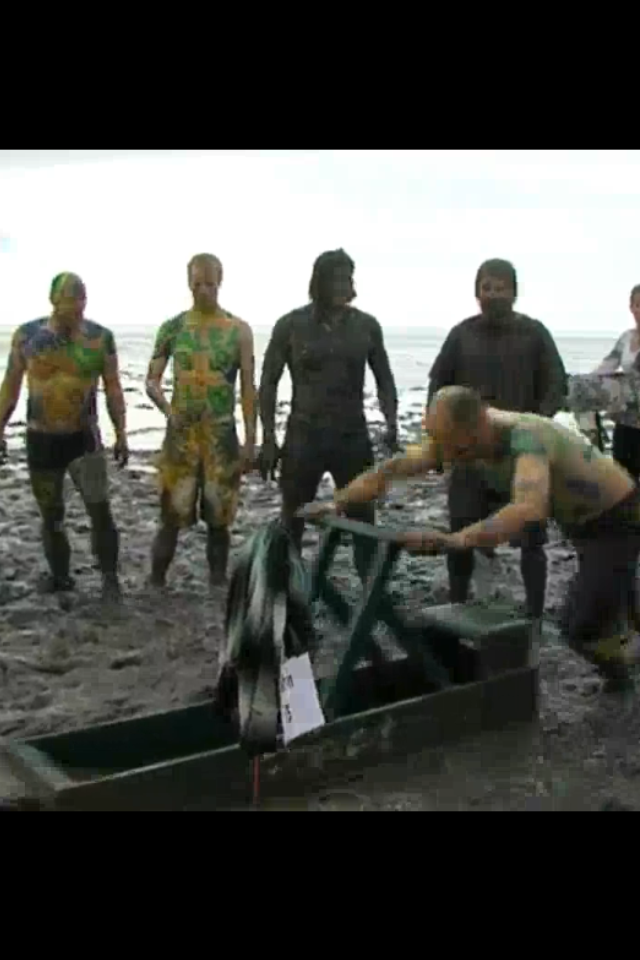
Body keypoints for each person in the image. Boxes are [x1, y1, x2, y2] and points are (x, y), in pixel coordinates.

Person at [302, 385, 640, 683]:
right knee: (618, 596)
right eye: (445, 450)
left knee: (580, 626)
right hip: (579, 524)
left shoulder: (526, 438)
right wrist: (338, 502)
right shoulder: (458, 439)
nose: (451, 458)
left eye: (460, 451)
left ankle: (622, 675)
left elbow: (528, 508)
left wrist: (457, 540)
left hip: (617, 519)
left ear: (480, 424)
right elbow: (390, 470)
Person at [427, 258, 567, 621]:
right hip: (469, 456)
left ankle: (534, 615)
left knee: (532, 536)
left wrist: (533, 427)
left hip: (520, 456)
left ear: (514, 292)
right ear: (477, 292)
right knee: (460, 533)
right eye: (486, 288)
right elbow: (437, 387)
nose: (493, 295)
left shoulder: (534, 334)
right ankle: (457, 605)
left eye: (500, 288)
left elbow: (556, 385)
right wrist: (439, 440)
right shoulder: (461, 335)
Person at [258, 248, 398, 578]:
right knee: (293, 518)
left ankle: (370, 590)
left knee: (363, 517)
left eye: (347, 278)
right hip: (303, 435)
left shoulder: (366, 326)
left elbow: (385, 379)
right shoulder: (291, 325)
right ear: (317, 282)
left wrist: (391, 425)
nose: (342, 285)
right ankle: (285, 590)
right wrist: (268, 438)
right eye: (335, 279)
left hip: (352, 436)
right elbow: (268, 383)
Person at [0, 272, 128, 600]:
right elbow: (10, 386)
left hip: (84, 439)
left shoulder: (99, 339)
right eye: (69, 300)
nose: (76, 308)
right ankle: (61, 577)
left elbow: (113, 389)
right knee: (51, 515)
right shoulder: (27, 337)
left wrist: (121, 433)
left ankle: (110, 579)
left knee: (100, 511)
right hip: (41, 439)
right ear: (53, 300)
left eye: (81, 301)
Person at [145, 253, 256, 589]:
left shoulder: (238, 330)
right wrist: (168, 410)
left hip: (221, 437)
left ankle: (217, 582)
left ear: (220, 282)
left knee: (219, 519)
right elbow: (152, 381)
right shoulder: (174, 328)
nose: (203, 290)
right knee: (170, 515)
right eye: (197, 283)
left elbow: (248, 388)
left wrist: (251, 441)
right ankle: (156, 580)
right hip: (181, 438)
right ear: (188, 283)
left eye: (209, 283)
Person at [591, 284, 640, 479]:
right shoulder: (626, 338)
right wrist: (582, 383)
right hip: (625, 417)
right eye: (638, 305)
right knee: (621, 474)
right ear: (631, 307)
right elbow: (606, 366)